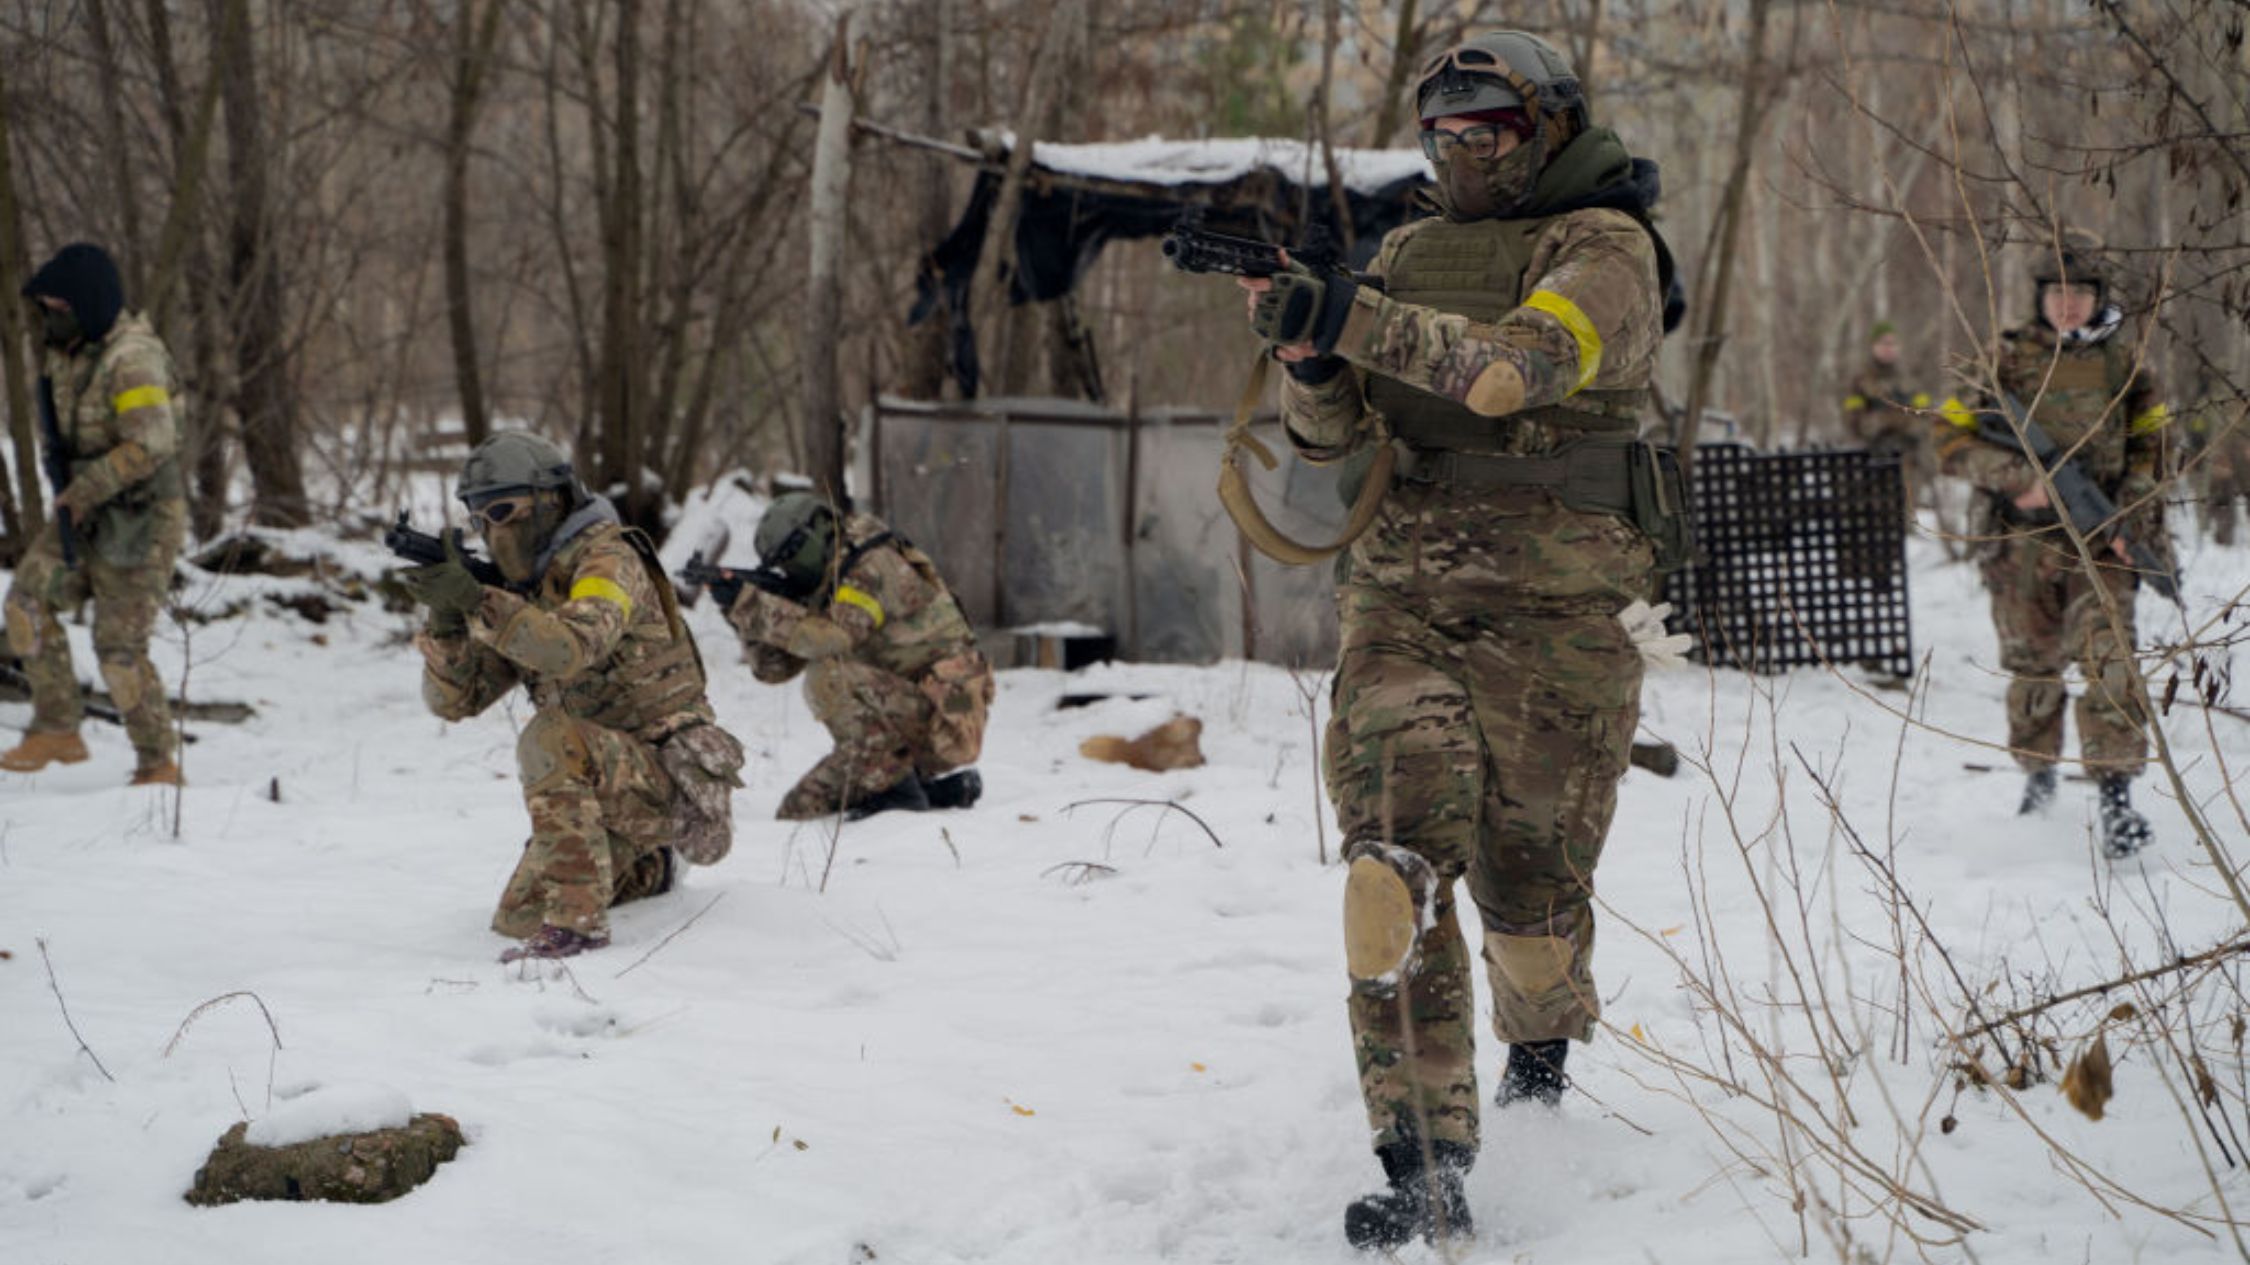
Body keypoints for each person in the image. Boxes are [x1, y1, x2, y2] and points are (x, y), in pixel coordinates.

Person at [1239, 31, 1683, 1250]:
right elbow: (1331, 442)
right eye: (1445, 135)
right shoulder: (1406, 253)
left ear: (1545, 126)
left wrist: (1356, 315)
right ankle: (1425, 1159)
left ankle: (1539, 1051)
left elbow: (1505, 372)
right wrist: (1310, 355)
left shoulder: (1606, 249)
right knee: (1394, 871)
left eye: (1487, 132)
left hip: (1559, 618)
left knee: (1532, 899)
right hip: (1402, 605)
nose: (1463, 153)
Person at [401, 432, 745, 962]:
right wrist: (448, 615)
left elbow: (570, 647)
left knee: (550, 736)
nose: (493, 530)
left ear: (552, 499)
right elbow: (456, 702)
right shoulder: (526, 592)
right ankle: (652, 867)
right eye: (479, 518)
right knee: (517, 918)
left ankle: (578, 928)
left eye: (503, 510)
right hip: (599, 787)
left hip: (674, 781)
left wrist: (479, 599)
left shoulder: (609, 559)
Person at [1933, 227, 2170, 858]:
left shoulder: (2127, 364)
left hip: (2101, 545)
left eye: (2081, 292)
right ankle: (2037, 786)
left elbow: (2155, 445)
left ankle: (2117, 800)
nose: (2068, 304)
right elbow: (1950, 437)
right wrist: (2017, 479)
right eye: (2057, 291)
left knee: (2112, 666)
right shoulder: (2004, 360)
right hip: (2023, 546)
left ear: (2098, 298)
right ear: (2040, 296)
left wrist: (2129, 512)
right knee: (2032, 668)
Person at [2, 243, 187, 785]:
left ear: (86, 303)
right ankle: (57, 726)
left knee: (119, 649)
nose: (50, 319)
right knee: (26, 604)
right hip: (83, 509)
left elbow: (152, 443)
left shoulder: (132, 359)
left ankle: (158, 764)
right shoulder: (73, 352)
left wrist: (85, 489)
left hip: (141, 517)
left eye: (59, 308)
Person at [722, 491, 991, 821]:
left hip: (949, 717)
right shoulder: (833, 574)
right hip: (913, 716)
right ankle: (927, 790)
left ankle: (898, 790)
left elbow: (832, 639)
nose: (790, 567)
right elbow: (774, 670)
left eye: (792, 553)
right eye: (782, 562)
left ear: (819, 528)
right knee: (799, 809)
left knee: (828, 674)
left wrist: (754, 606)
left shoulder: (872, 563)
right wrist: (739, 614)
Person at [1841, 320, 1934, 517]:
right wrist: (1889, 420)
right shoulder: (1861, 379)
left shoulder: (1910, 378)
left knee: (1905, 515)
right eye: (1883, 343)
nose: (1889, 348)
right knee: (1875, 514)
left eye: (1893, 343)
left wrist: (1905, 423)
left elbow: (1925, 417)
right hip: (1873, 459)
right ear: (1873, 346)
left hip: (1908, 458)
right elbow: (1855, 423)